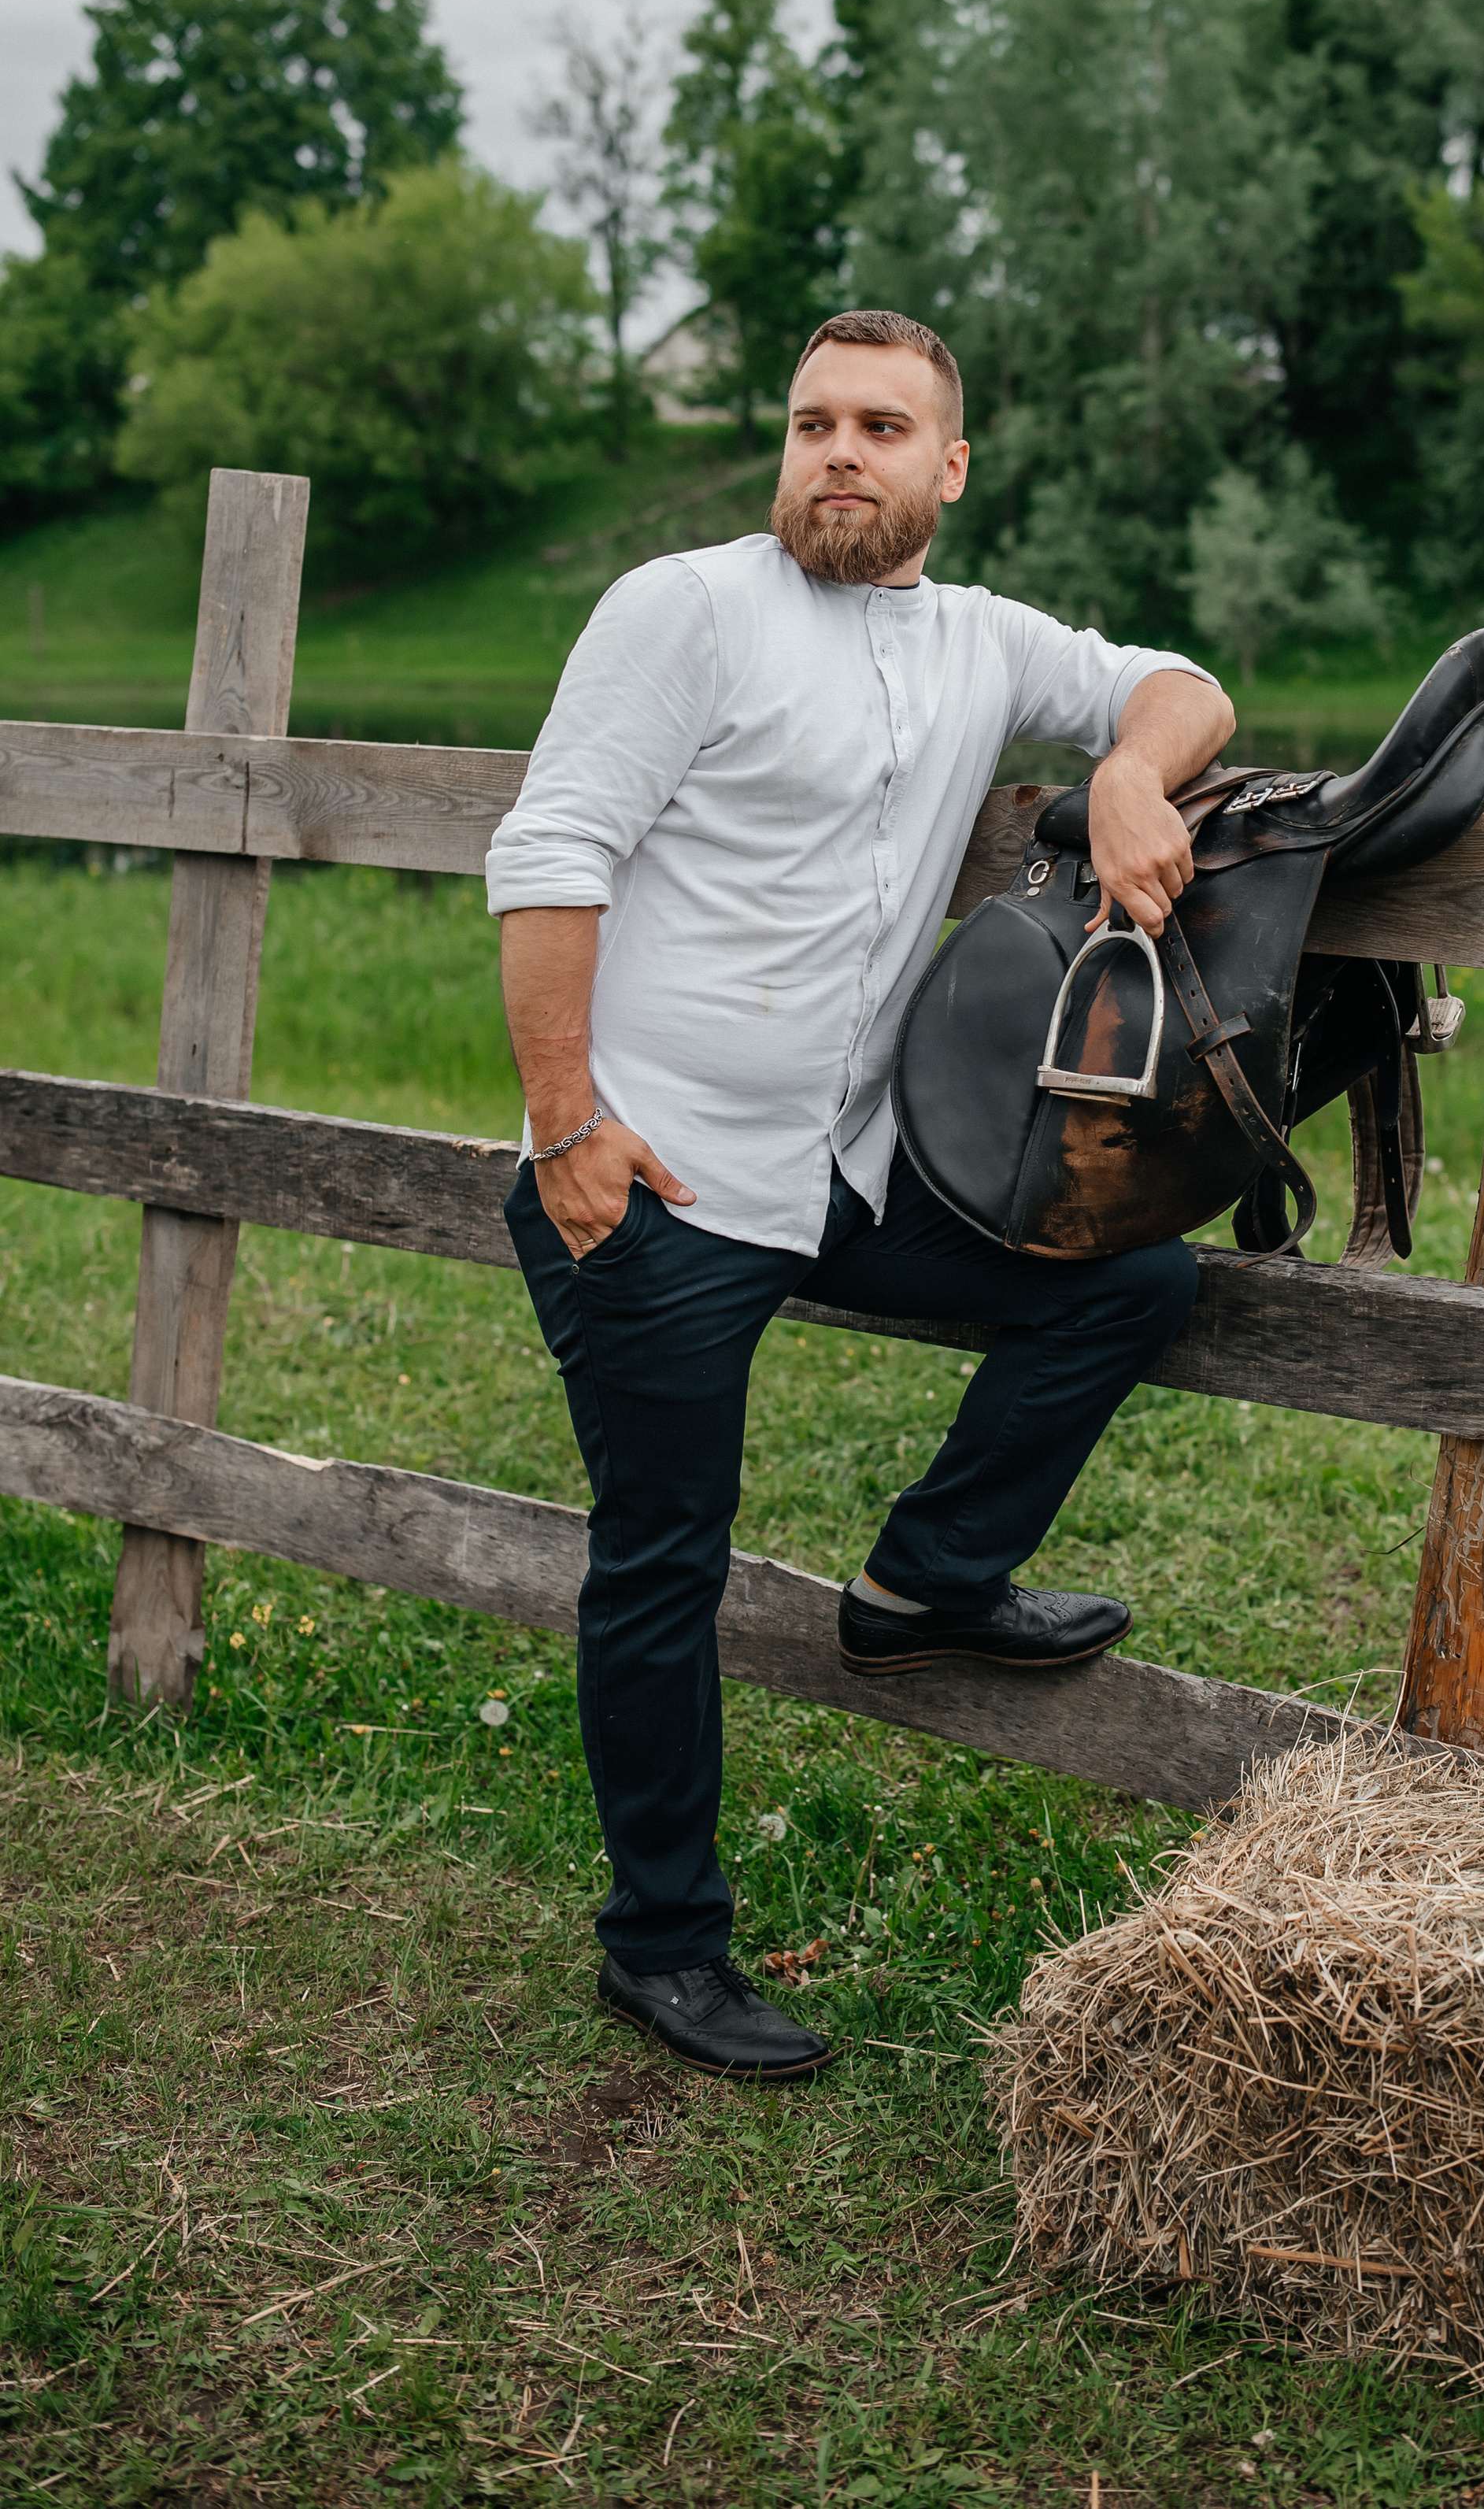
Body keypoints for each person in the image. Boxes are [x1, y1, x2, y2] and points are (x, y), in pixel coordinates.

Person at [487, 309, 1234, 2080]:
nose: (839, 451)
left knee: (1126, 1283)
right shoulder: (684, 608)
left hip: (845, 1170)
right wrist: (566, 1123)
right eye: (814, 420)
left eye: (882, 427)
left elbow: (1183, 683)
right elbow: (550, 853)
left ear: (945, 468)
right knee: (661, 1561)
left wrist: (1128, 769)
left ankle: (923, 1583)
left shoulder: (980, 642)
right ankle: (660, 1946)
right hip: (653, 1180)